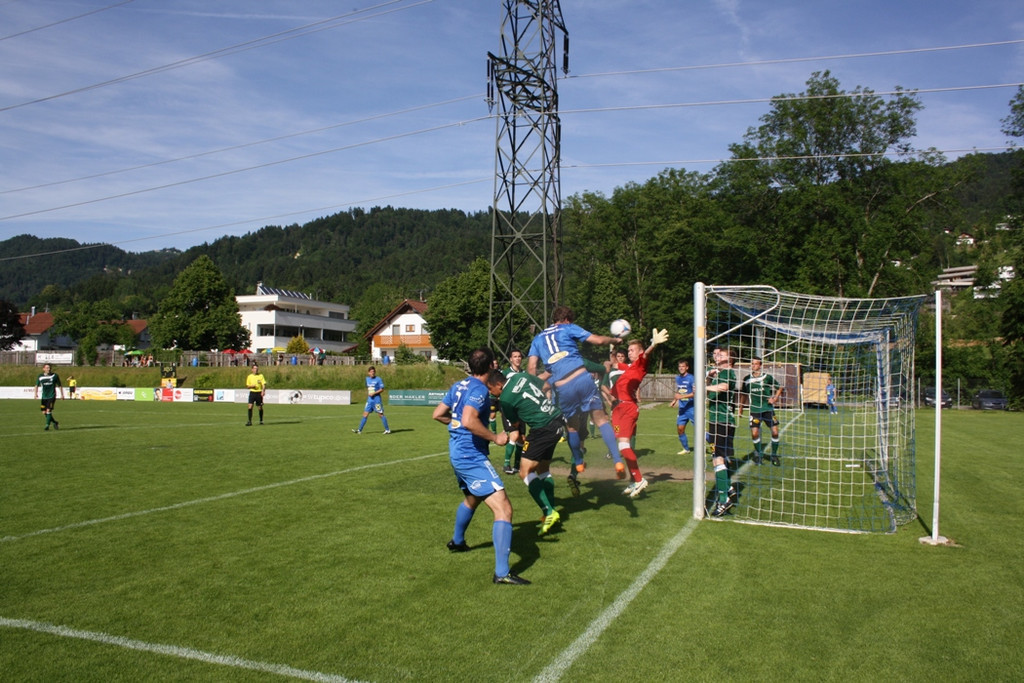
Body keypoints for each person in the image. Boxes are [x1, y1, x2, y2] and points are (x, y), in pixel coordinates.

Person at [433, 348, 528, 585]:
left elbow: (438, 414)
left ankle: (457, 541)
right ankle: (502, 573)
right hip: (471, 456)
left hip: (458, 453)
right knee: (504, 509)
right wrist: (494, 438)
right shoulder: (478, 390)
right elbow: (468, 420)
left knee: (472, 499)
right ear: (490, 367)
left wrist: (455, 425)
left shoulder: (459, 386)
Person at [527, 306, 627, 479]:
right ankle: (617, 460)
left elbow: (531, 367)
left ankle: (579, 462)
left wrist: (534, 388)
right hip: (582, 378)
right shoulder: (568, 328)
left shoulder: (538, 339)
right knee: (601, 419)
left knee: (572, 427)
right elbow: (596, 340)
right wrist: (615, 341)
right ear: (567, 319)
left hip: (563, 386)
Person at [487, 368, 565, 534]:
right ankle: (552, 511)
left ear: (499, 384)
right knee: (543, 469)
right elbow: (544, 385)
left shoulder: (505, 400)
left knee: (525, 472)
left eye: (490, 388)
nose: (490, 392)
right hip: (556, 421)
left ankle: (548, 511)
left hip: (542, 429)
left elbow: (515, 424)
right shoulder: (521, 376)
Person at [609, 329, 670, 497]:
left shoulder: (641, 364)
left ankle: (638, 479)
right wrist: (612, 346)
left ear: (640, 352)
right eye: (628, 350)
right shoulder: (629, 367)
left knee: (624, 445)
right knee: (622, 445)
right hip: (619, 408)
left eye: (632, 350)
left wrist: (653, 345)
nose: (629, 353)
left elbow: (646, 354)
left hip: (627, 408)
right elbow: (613, 363)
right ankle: (633, 480)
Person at [707, 347, 738, 517]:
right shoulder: (718, 373)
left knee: (717, 459)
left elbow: (724, 387)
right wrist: (708, 378)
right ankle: (728, 488)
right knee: (717, 457)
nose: (717, 355)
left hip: (722, 421)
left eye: (722, 355)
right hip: (717, 420)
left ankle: (724, 498)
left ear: (730, 359)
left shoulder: (728, 372)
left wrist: (706, 387)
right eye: (716, 354)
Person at [738, 356, 784, 466]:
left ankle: (774, 455)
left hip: (768, 409)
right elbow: (744, 394)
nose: (753, 366)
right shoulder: (747, 379)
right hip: (755, 410)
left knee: (775, 432)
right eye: (752, 364)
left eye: (755, 364)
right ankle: (758, 454)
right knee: (754, 433)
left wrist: (775, 398)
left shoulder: (767, 377)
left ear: (760, 365)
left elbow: (780, 387)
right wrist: (740, 408)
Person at [500, 349, 526, 475]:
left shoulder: (524, 373)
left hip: (521, 409)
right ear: (510, 359)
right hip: (509, 408)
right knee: (514, 435)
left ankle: (516, 465)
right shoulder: (505, 373)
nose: (517, 359)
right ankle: (506, 464)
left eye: (519, 356)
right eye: (515, 356)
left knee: (522, 439)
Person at [353, 366, 391, 434]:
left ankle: (387, 430)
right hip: (369, 400)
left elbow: (382, 389)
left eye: (373, 371)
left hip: (377, 400)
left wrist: (374, 393)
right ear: (368, 373)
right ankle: (359, 430)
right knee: (365, 414)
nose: (372, 373)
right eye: (371, 372)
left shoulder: (378, 379)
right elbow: (368, 388)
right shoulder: (367, 379)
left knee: (381, 414)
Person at [670, 360, 695, 455]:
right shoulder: (678, 378)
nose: (681, 368)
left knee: (700, 430)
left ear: (687, 367)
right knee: (680, 429)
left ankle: (714, 447)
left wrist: (682, 397)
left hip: (692, 408)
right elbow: (679, 390)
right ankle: (686, 449)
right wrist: (674, 400)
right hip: (682, 409)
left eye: (683, 366)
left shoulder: (692, 378)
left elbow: (695, 393)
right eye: (679, 366)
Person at [35, 363, 65, 430]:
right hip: (44, 397)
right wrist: (35, 394)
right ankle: (55, 422)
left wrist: (62, 394)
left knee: (48, 410)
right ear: (43, 369)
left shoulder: (55, 376)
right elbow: (36, 385)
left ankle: (47, 425)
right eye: (47, 368)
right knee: (44, 412)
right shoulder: (40, 376)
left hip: (52, 396)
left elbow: (59, 385)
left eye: (49, 368)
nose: (48, 369)